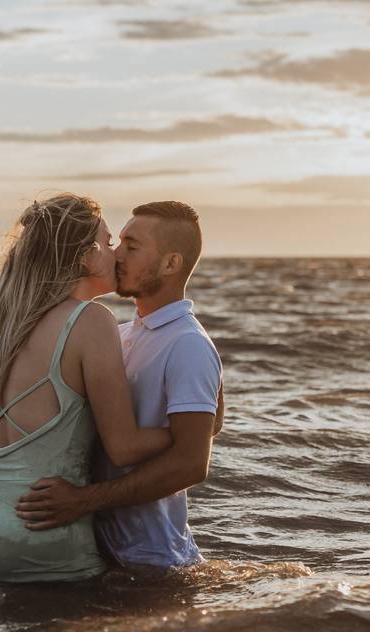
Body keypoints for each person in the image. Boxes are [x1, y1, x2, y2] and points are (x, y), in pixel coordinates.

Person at [0, 193, 179, 583]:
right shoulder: (91, 320)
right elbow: (124, 446)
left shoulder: (11, 323)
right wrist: (193, 429)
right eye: (109, 242)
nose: (116, 254)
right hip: (42, 526)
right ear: (84, 255)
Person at [16, 201, 224, 570]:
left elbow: (193, 464)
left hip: (153, 562)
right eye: (117, 243)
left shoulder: (187, 344)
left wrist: (83, 500)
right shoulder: (120, 334)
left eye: (131, 246)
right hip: (100, 554)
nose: (116, 254)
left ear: (171, 264)